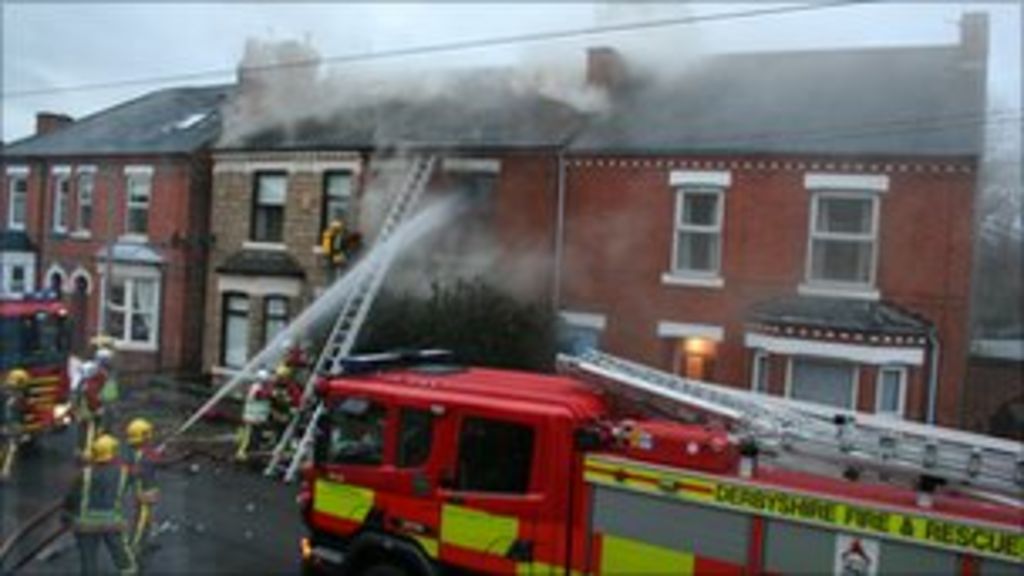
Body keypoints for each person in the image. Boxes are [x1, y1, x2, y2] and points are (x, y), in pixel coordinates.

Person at [64, 434, 137, 576]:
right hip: (112, 522)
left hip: (86, 524)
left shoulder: (83, 474)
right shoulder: (124, 473)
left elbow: (72, 498)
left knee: (88, 561)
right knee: (123, 558)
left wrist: (67, 516)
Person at [124, 419, 160, 555]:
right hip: (144, 491)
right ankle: (134, 545)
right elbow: (142, 468)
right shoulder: (141, 454)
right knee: (142, 520)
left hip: (146, 490)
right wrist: (154, 457)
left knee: (148, 518)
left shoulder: (137, 451)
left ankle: (146, 542)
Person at [235, 370, 272, 462]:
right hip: (252, 418)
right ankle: (241, 453)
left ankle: (251, 454)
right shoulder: (256, 388)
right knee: (248, 437)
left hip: (258, 419)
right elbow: (261, 395)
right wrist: (272, 392)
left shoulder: (261, 388)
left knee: (255, 437)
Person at [1, 369, 28, 481]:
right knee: (7, 447)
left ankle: (5, 471)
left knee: (11, 448)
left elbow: (20, 415)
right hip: (7, 425)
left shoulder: (19, 397)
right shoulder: (4, 395)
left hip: (12, 425)